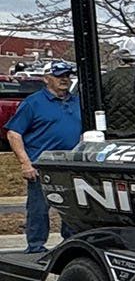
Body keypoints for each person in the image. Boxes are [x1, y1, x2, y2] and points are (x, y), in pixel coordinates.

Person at [6, 60, 82, 254]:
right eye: (59, 76)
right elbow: (14, 133)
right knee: (39, 209)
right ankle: (36, 246)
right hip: (42, 165)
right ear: (47, 79)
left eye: (67, 75)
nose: (64, 79)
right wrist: (25, 163)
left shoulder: (77, 102)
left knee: (73, 208)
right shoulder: (33, 102)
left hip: (71, 165)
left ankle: (70, 244)